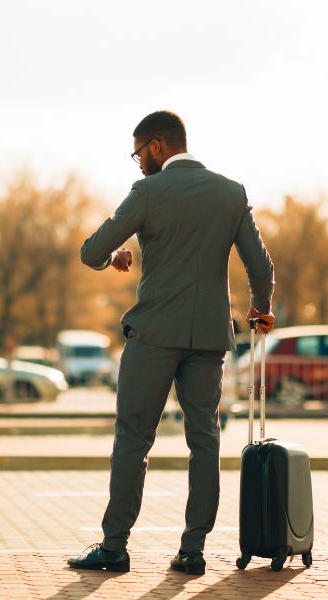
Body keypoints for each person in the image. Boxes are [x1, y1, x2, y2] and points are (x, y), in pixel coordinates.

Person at [68, 111, 275, 575]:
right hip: (207, 337)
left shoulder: (148, 192)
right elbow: (260, 266)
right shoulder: (231, 192)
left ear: (158, 146)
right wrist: (259, 309)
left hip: (154, 335)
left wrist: (115, 257)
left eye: (138, 152)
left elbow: (90, 251)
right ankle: (193, 550)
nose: (138, 163)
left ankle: (115, 547)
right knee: (204, 439)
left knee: (133, 438)